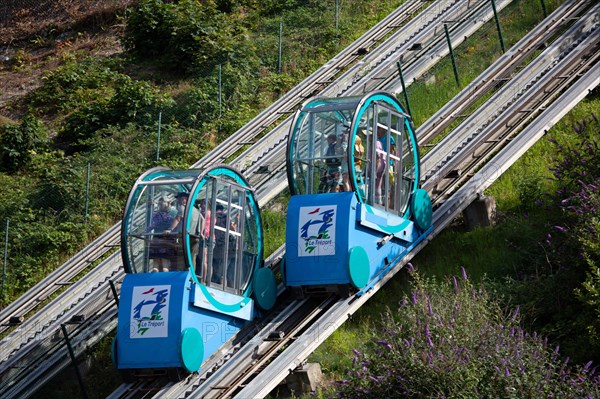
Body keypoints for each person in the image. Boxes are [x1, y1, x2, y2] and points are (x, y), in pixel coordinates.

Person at [145, 196, 174, 272]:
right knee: (165, 264)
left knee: (156, 263)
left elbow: (152, 225)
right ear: (167, 205)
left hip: (156, 240)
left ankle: (155, 279)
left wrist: (145, 231)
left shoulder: (156, 215)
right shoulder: (170, 217)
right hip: (166, 241)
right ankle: (165, 280)